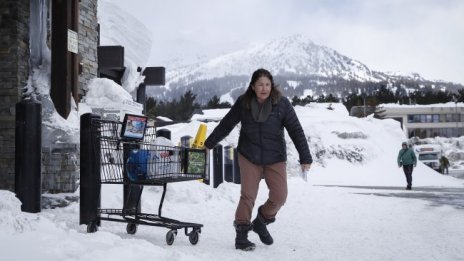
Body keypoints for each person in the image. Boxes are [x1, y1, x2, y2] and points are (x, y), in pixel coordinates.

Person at [204, 68, 312, 251]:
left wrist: (305, 156)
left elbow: (296, 130)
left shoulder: (282, 104)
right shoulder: (243, 103)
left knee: (280, 197)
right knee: (248, 196)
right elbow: (227, 124)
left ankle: (261, 221)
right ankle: (241, 235)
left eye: (267, 84)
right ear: (253, 86)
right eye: (260, 84)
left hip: (275, 157)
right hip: (249, 155)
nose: (264, 88)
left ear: (272, 86)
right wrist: (209, 144)